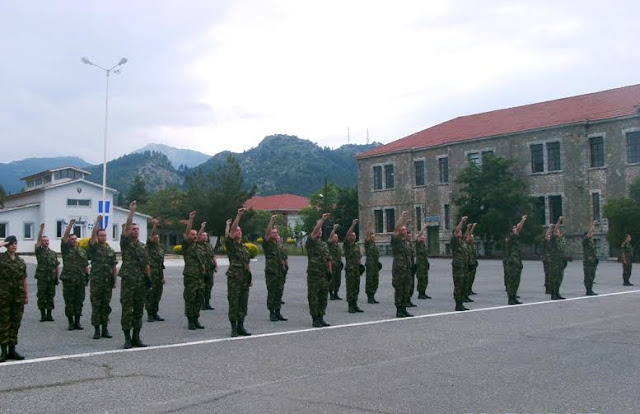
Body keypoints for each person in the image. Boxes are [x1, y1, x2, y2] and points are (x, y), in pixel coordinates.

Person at [119, 201, 152, 349]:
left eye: (137, 229)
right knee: (127, 309)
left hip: (140, 282)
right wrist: (131, 212)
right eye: (133, 229)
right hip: (128, 280)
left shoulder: (142, 246)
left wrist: (149, 278)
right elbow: (126, 229)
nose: (135, 231)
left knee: (139, 309)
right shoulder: (125, 243)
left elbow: (146, 264)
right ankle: (127, 338)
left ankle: (136, 337)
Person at [88, 215, 118, 339]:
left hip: (107, 282)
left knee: (106, 306)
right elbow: (93, 236)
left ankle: (105, 328)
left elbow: (114, 266)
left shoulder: (110, 250)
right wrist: (97, 222)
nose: (103, 237)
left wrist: (114, 280)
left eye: (105, 235)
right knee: (96, 305)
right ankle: (96, 330)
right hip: (96, 282)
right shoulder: (94, 247)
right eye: (101, 235)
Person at [0, 236, 28, 362]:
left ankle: (12, 350)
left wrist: (26, 295)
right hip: (4, 297)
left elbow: (24, 280)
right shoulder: (1, 259)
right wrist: (2, 243)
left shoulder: (20, 261)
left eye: (15, 243)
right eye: (11, 244)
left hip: (18, 297)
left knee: (15, 324)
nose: (14, 246)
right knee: (4, 323)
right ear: (7, 245)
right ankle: (3, 351)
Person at [226, 208, 253, 337]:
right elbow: (230, 233)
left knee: (243, 302)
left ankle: (241, 326)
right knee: (234, 302)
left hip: (244, 279)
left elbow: (247, 264)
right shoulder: (231, 245)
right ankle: (233, 327)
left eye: (240, 230)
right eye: (237, 230)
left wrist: (250, 277)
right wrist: (238, 216)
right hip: (234, 278)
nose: (238, 232)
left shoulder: (244, 249)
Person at [60, 219, 89, 331]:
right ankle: (70, 322)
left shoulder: (82, 251)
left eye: (75, 239)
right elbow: (64, 238)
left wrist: (87, 277)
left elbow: (85, 264)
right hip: (69, 280)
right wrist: (71, 224)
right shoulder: (66, 249)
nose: (73, 241)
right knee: (69, 301)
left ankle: (77, 322)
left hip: (80, 280)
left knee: (79, 301)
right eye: (72, 239)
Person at [306, 213, 332, 327]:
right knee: (313, 297)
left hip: (324, 275)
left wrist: (330, 272)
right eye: (318, 230)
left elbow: (328, 259)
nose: (319, 231)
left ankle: (321, 317)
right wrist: (322, 220)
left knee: (323, 297)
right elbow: (314, 232)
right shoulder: (311, 243)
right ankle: (315, 318)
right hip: (314, 275)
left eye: (321, 230)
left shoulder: (324, 245)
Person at [182, 212, 206, 330]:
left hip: (200, 277)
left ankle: (196, 318)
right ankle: (190, 320)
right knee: (190, 298)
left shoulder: (199, 247)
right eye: (193, 235)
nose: (195, 236)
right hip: (191, 277)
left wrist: (201, 228)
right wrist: (191, 219)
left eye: (196, 234)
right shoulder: (187, 246)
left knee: (199, 298)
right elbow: (187, 234)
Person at [34, 223, 59, 322]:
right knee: (41, 296)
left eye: (47, 240)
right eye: (44, 241)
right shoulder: (39, 251)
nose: (46, 242)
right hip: (42, 278)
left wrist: (56, 278)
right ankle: (42, 315)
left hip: (51, 278)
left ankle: (49, 314)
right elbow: (38, 242)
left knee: (50, 296)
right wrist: (41, 230)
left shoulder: (53, 253)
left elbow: (56, 266)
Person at [263, 215, 286, 321]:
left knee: (279, 292)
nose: (276, 234)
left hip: (280, 272)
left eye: (276, 233)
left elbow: (283, 258)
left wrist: (285, 267)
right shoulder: (267, 244)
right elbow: (267, 234)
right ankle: (271, 313)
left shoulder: (279, 246)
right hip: (272, 273)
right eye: (273, 233)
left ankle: (278, 312)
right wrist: (271, 220)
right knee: (272, 292)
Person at [392, 211, 413, 317]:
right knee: (399, 289)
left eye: (406, 230)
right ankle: (399, 309)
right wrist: (402, 217)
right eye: (403, 229)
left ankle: (404, 308)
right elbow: (396, 229)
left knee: (406, 289)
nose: (405, 231)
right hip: (399, 269)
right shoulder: (396, 240)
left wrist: (407, 225)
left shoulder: (405, 242)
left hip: (407, 269)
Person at [145, 217, 166, 322]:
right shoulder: (149, 247)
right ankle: (149, 314)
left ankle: (155, 312)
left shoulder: (160, 249)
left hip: (158, 275)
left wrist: (162, 277)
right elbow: (151, 236)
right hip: (151, 274)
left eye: (158, 238)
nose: (156, 239)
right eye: (155, 238)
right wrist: (155, 226)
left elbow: (161, 264)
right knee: (150, 295)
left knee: (158, 295)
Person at [503, 215, 527, 305]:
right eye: (514, 229)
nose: (516, 230)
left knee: (516, 281)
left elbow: (518, 230)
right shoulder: (510, 238)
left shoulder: (514, 239)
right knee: (512, 280)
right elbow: (518, 229)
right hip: (511, 263)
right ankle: (510, 298)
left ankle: (514, 297)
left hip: (516, 263)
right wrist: (522, 220)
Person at [344, 219, 363, 313]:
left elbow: (359, 257)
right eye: (352, 235)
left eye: (355, 235)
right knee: (350, 287)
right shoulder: (348, 245)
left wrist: (360, 266)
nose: (353, 236)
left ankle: (355, 304)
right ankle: (350, 305)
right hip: (350, 270)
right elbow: (347, 235)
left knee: (356, 287)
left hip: (356, 270)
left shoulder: (356, 246)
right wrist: (352, 225)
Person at [451, 216, 469, 311]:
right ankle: (458, 304)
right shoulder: (454, 242)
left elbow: (467, 234)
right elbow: (456, 231)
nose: (461, 232)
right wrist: (461, 221)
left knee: (463, 285)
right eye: (459, 232)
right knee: (458, 285)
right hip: (458, 268)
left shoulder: (461, 242)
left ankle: (461, 303)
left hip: (464, 266)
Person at [549, 216, 567, 300]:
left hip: (560, 261)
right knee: (554, 277)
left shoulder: (560, 240)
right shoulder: (553, 238)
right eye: (558, 231)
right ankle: (553, 293)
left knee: (560, 278)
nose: (559, 232)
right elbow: (555, 229)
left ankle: (557, 292)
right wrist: (559, 221)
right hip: (554, 262)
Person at [200, 231, 217, 311]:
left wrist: (216, 265)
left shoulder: (209, 246)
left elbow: (213, 256)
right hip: (202, 270)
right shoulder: (198, 246)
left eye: (206, 235)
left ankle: (207, 303)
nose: (205, 237)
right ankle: (201, 304)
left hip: (210, 269)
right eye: (203, 235)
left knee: (209, 287)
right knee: (201, 287)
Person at [364, 221, 381, 303]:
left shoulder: (374, 246)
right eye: (372, 237)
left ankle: (373, 295)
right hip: (370, 266)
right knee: (370, 281)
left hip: (375, 266)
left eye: (374, 237)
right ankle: (369, 296)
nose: (373, 238)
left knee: (375, 281)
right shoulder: (368, 244)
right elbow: (366, 236)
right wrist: (368, 227)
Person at [414, 224, 431, 299]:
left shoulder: (423, 245)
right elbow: (418, 236)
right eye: (422, 236)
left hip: (424, 263)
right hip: (420, 264)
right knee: (420, 278)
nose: (423, 237)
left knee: (425, 278)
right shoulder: (418, 244)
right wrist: (424, 227)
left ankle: (424, 292)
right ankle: (420, 293)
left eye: (424, 236)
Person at [582, 221, 599, 295]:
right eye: (591, 234)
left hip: (592, 262)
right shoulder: (585, 242)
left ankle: (590, 289)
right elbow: (589, 234)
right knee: (588, 276)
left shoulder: (591, 243)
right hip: (588, 262)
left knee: (592, 275)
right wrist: (593, 225)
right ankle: (588, 290)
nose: (592, 234)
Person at [327, 224, 343, 301]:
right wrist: (334, 229)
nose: (336, 238)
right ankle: (331, 294)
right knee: (332, 280)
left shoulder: (338, 246)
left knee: (338, 280)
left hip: (338, 265)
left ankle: (336, 293)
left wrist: (341, 262)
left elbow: (340, 255)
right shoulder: (330, 244)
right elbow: (330, 237)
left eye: (337, 237)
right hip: (332, 265)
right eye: (335, 237)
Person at [465, 223, 478, 298]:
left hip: (472, 264)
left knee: (472, 278)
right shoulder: (465, 244)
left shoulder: (472, 245)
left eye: (472, 237)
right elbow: (467, 235)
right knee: (468, 278)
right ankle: (467, 290)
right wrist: (471, 228)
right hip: (467, 265)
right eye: (470, 238)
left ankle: (470, 289)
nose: (471, 238)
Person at [542, 224, 554, 294]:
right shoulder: (545, 242)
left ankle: (550, 287)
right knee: (548, 274)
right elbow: (546, 235)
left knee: (551, 274)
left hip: (551, 260)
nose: (549, 237)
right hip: (547, 260)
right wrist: (549, 228)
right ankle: (547, 287)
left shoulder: (551, 243)